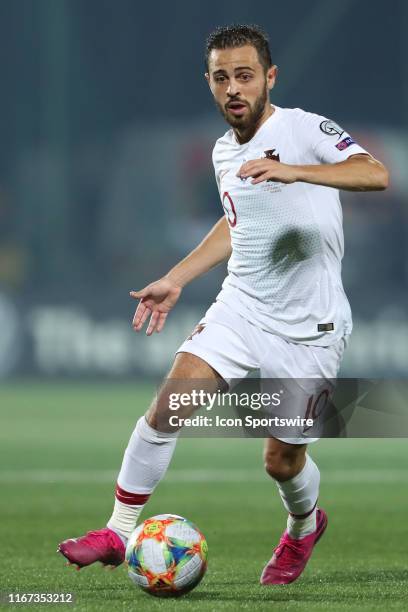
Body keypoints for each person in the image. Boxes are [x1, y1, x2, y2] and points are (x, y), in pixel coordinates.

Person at [58, 24, 388, 584]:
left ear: (269, 78)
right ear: (209, 84)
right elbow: (239, 224)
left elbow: (375, 174)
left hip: (311, 326)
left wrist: (296, 169)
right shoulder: (221, 152)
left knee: (281, 461)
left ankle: (304, 527)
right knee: (169, 407)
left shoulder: (303, 129)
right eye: (222, 78)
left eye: (244, 75)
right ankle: (117, 530)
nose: (234, 88)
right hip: (243, 306)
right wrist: (177, 276)